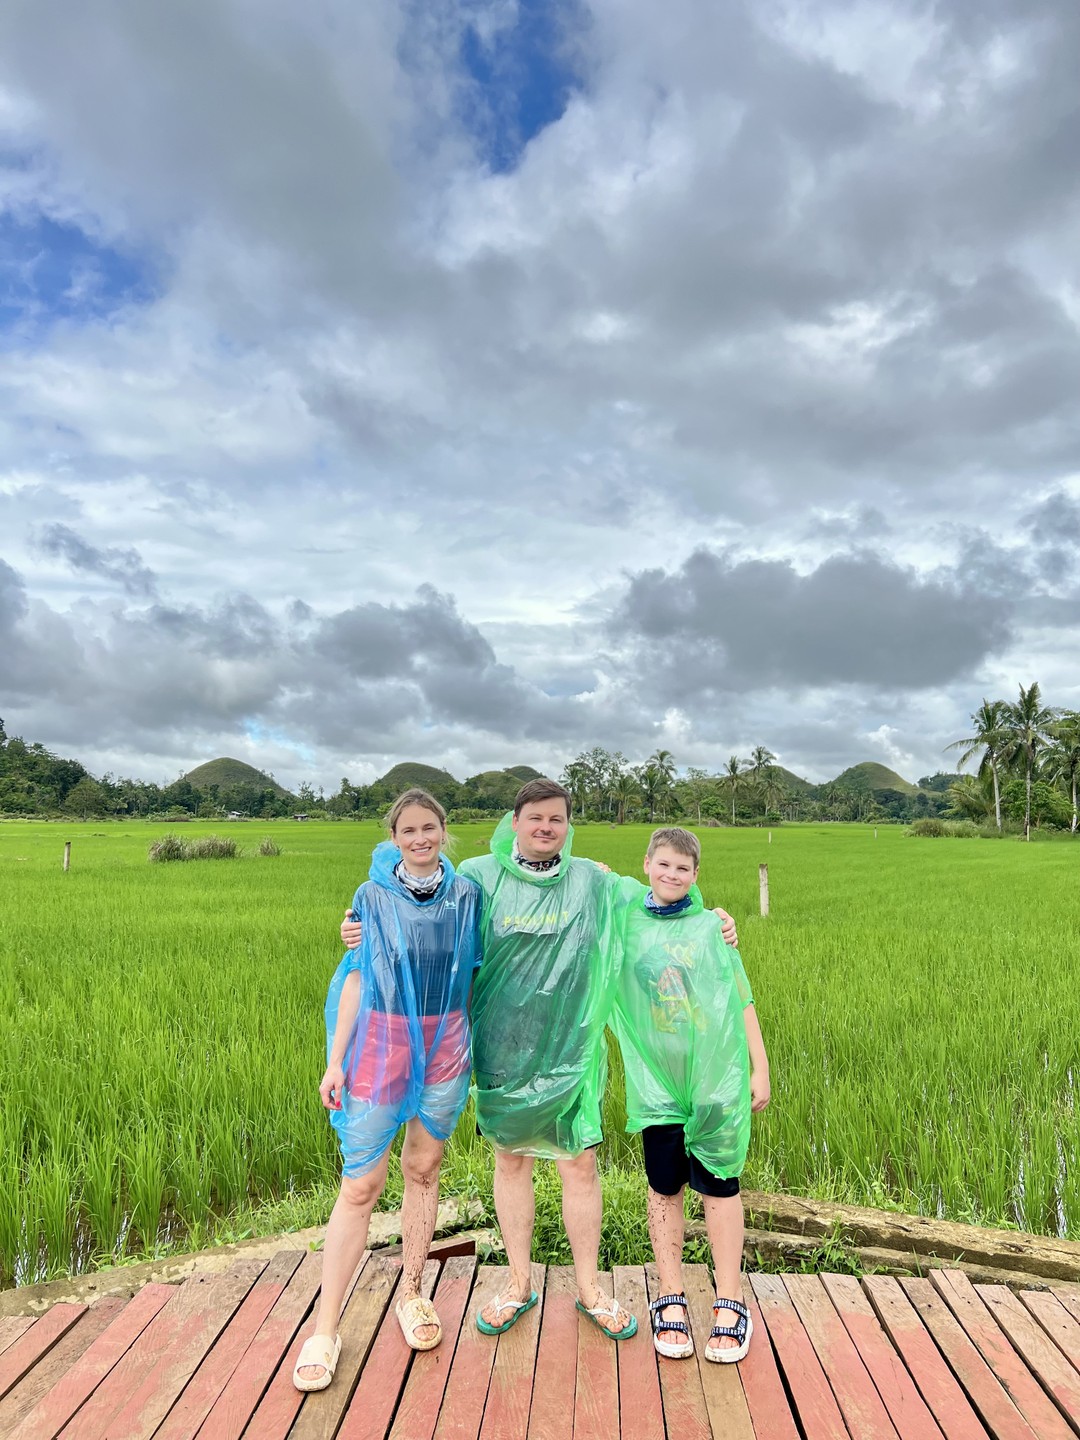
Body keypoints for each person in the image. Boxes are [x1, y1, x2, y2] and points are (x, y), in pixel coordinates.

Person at [343, 778, 738, 1343]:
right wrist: (356, 922)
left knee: (580, 1165)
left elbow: (662, 899)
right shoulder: (479, 876)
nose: (545, 827)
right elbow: (411, 887)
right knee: (511, 1162)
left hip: (573, 1053)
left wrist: (712, 917)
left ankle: (589, 1288)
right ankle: (518, 1281)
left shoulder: (592, 881)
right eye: (535, 818)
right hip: (503, 1049)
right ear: (516, 820)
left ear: (567, 825)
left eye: (556, 819)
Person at [294, 789, 482, 1391]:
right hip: (382, 1043)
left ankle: (414, 1293)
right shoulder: (370, 898)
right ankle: (325, 1328)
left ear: (444, 831)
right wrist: (336, 1060)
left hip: (446, 1045)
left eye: (430, 828)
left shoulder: (468, 896)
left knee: (423, 1170)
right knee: (360, 1185)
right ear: (393, 837)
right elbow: (355, 980)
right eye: (409, 831)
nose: (421, 839)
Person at [610, 826, 769, 1364]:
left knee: (721, 1185)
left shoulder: (710, 928)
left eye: (683, 868)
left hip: (712, 1078)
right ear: (647, 864)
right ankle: (671, 1293)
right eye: (664, 864)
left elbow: (739, 997)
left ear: (695, 876)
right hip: (657, 1083)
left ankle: (729, 1301)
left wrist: (759, 1066)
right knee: (664, 1187)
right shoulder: (625, 922)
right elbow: (585, 887)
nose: (672, 874)